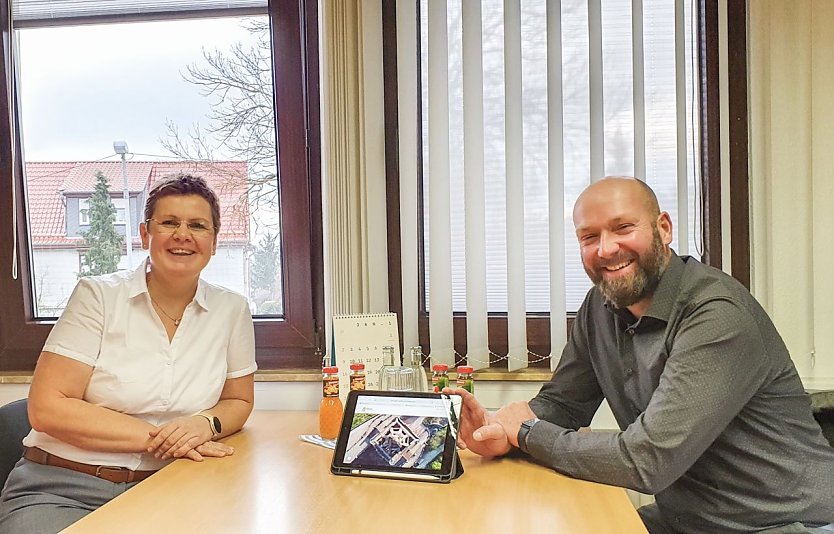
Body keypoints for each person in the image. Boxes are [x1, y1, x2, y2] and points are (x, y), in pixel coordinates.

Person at [449, 176, 834, 533]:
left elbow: (646, 460)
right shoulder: (599, 306)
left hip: (783, 524)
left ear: (663, 228)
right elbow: (563, 404)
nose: (606, 249)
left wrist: (528, 433)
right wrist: (499, 431)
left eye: (623, 228)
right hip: (689, 518)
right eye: (588, 237)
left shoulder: (716, 314)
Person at [0, 173, 257, 533]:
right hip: (63, 486)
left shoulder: (232, 309)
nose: (183, 234)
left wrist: (204, 424)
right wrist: (170, 440)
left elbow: (238, 401)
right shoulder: (98, 296)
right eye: (169, 222)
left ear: (214, 241)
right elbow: (47, 407)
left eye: (198, 225)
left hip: (172, 486)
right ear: (145, 234)